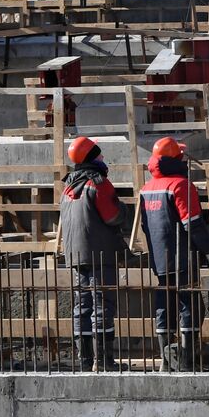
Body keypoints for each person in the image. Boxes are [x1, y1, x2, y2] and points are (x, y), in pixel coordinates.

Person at [139, 136, 209, 371]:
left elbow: (145, 226)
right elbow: (192, 223)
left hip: (160, 260)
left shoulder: (146, 188)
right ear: (177, 158)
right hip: (183, 258)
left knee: (164, 307)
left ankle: (165, 361)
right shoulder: (180, 186)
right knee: (191, 306)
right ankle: (186, 359)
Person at [58, 135, 126, 371]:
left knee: (82, 306)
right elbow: (112, 216)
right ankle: (104, 361)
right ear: (91, 158)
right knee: (102, 305)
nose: (103, 157)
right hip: (100, 255)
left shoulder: (67, 187)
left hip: (75, 256)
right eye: (99, 154)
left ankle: (85, 360)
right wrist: (123, 209)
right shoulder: (98, 184)